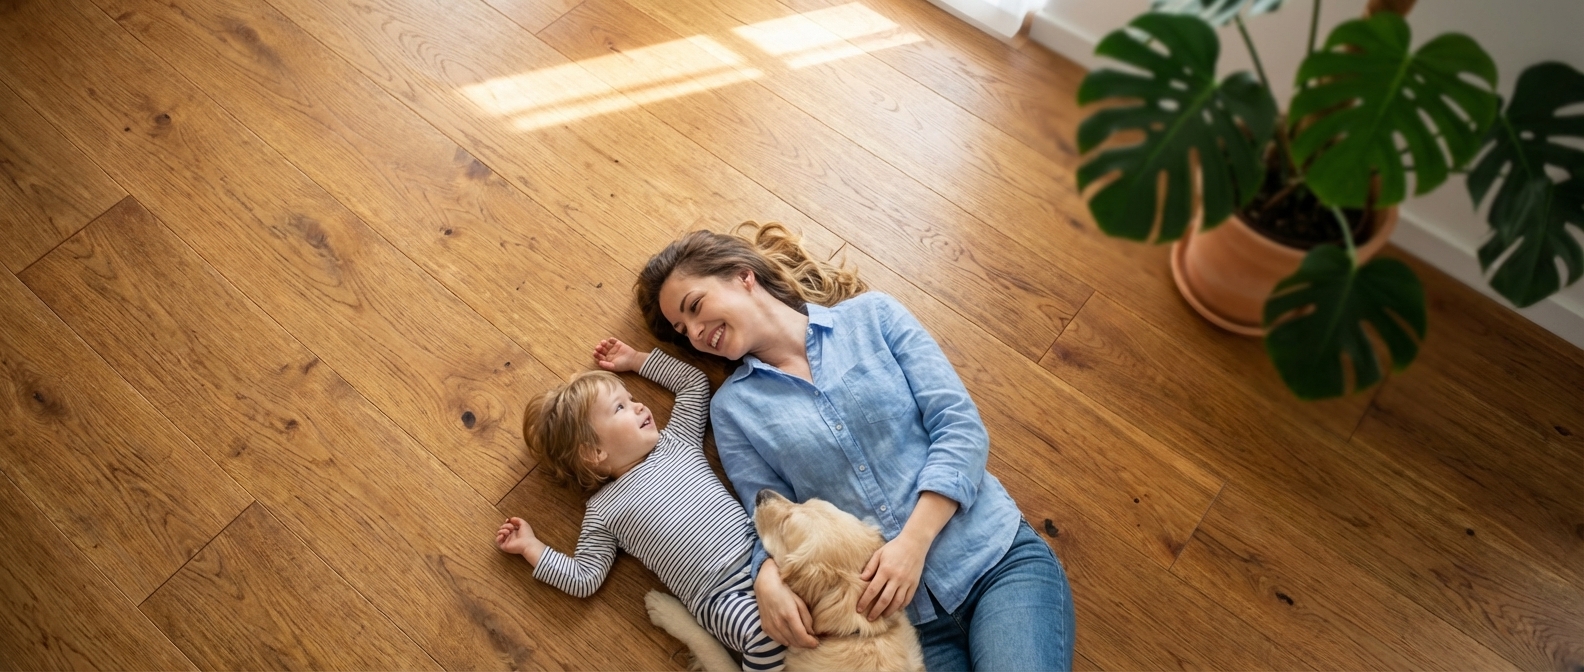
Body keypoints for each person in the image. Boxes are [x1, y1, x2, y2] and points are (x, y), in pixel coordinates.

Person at [634, 223, 1076, 671]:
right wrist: (765, 577)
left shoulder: (873, 317)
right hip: (894, 631)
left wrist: (912, 545)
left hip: (996, 564)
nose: (694, 330)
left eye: (694, 306)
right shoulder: (732, 409)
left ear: (742, 275)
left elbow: (960, 428)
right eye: (681, 327)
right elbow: (766, 515)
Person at [495, 338, 784, 671]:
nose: (639, 405)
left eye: (631, 398)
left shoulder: (676, 441)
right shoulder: (602, 510)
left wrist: (636, 360)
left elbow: (693, 385)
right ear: (593, 453)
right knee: (765, 636)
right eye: (620, 407)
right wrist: (532, 548)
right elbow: (584, 577)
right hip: (719, 599)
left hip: (764, 556)